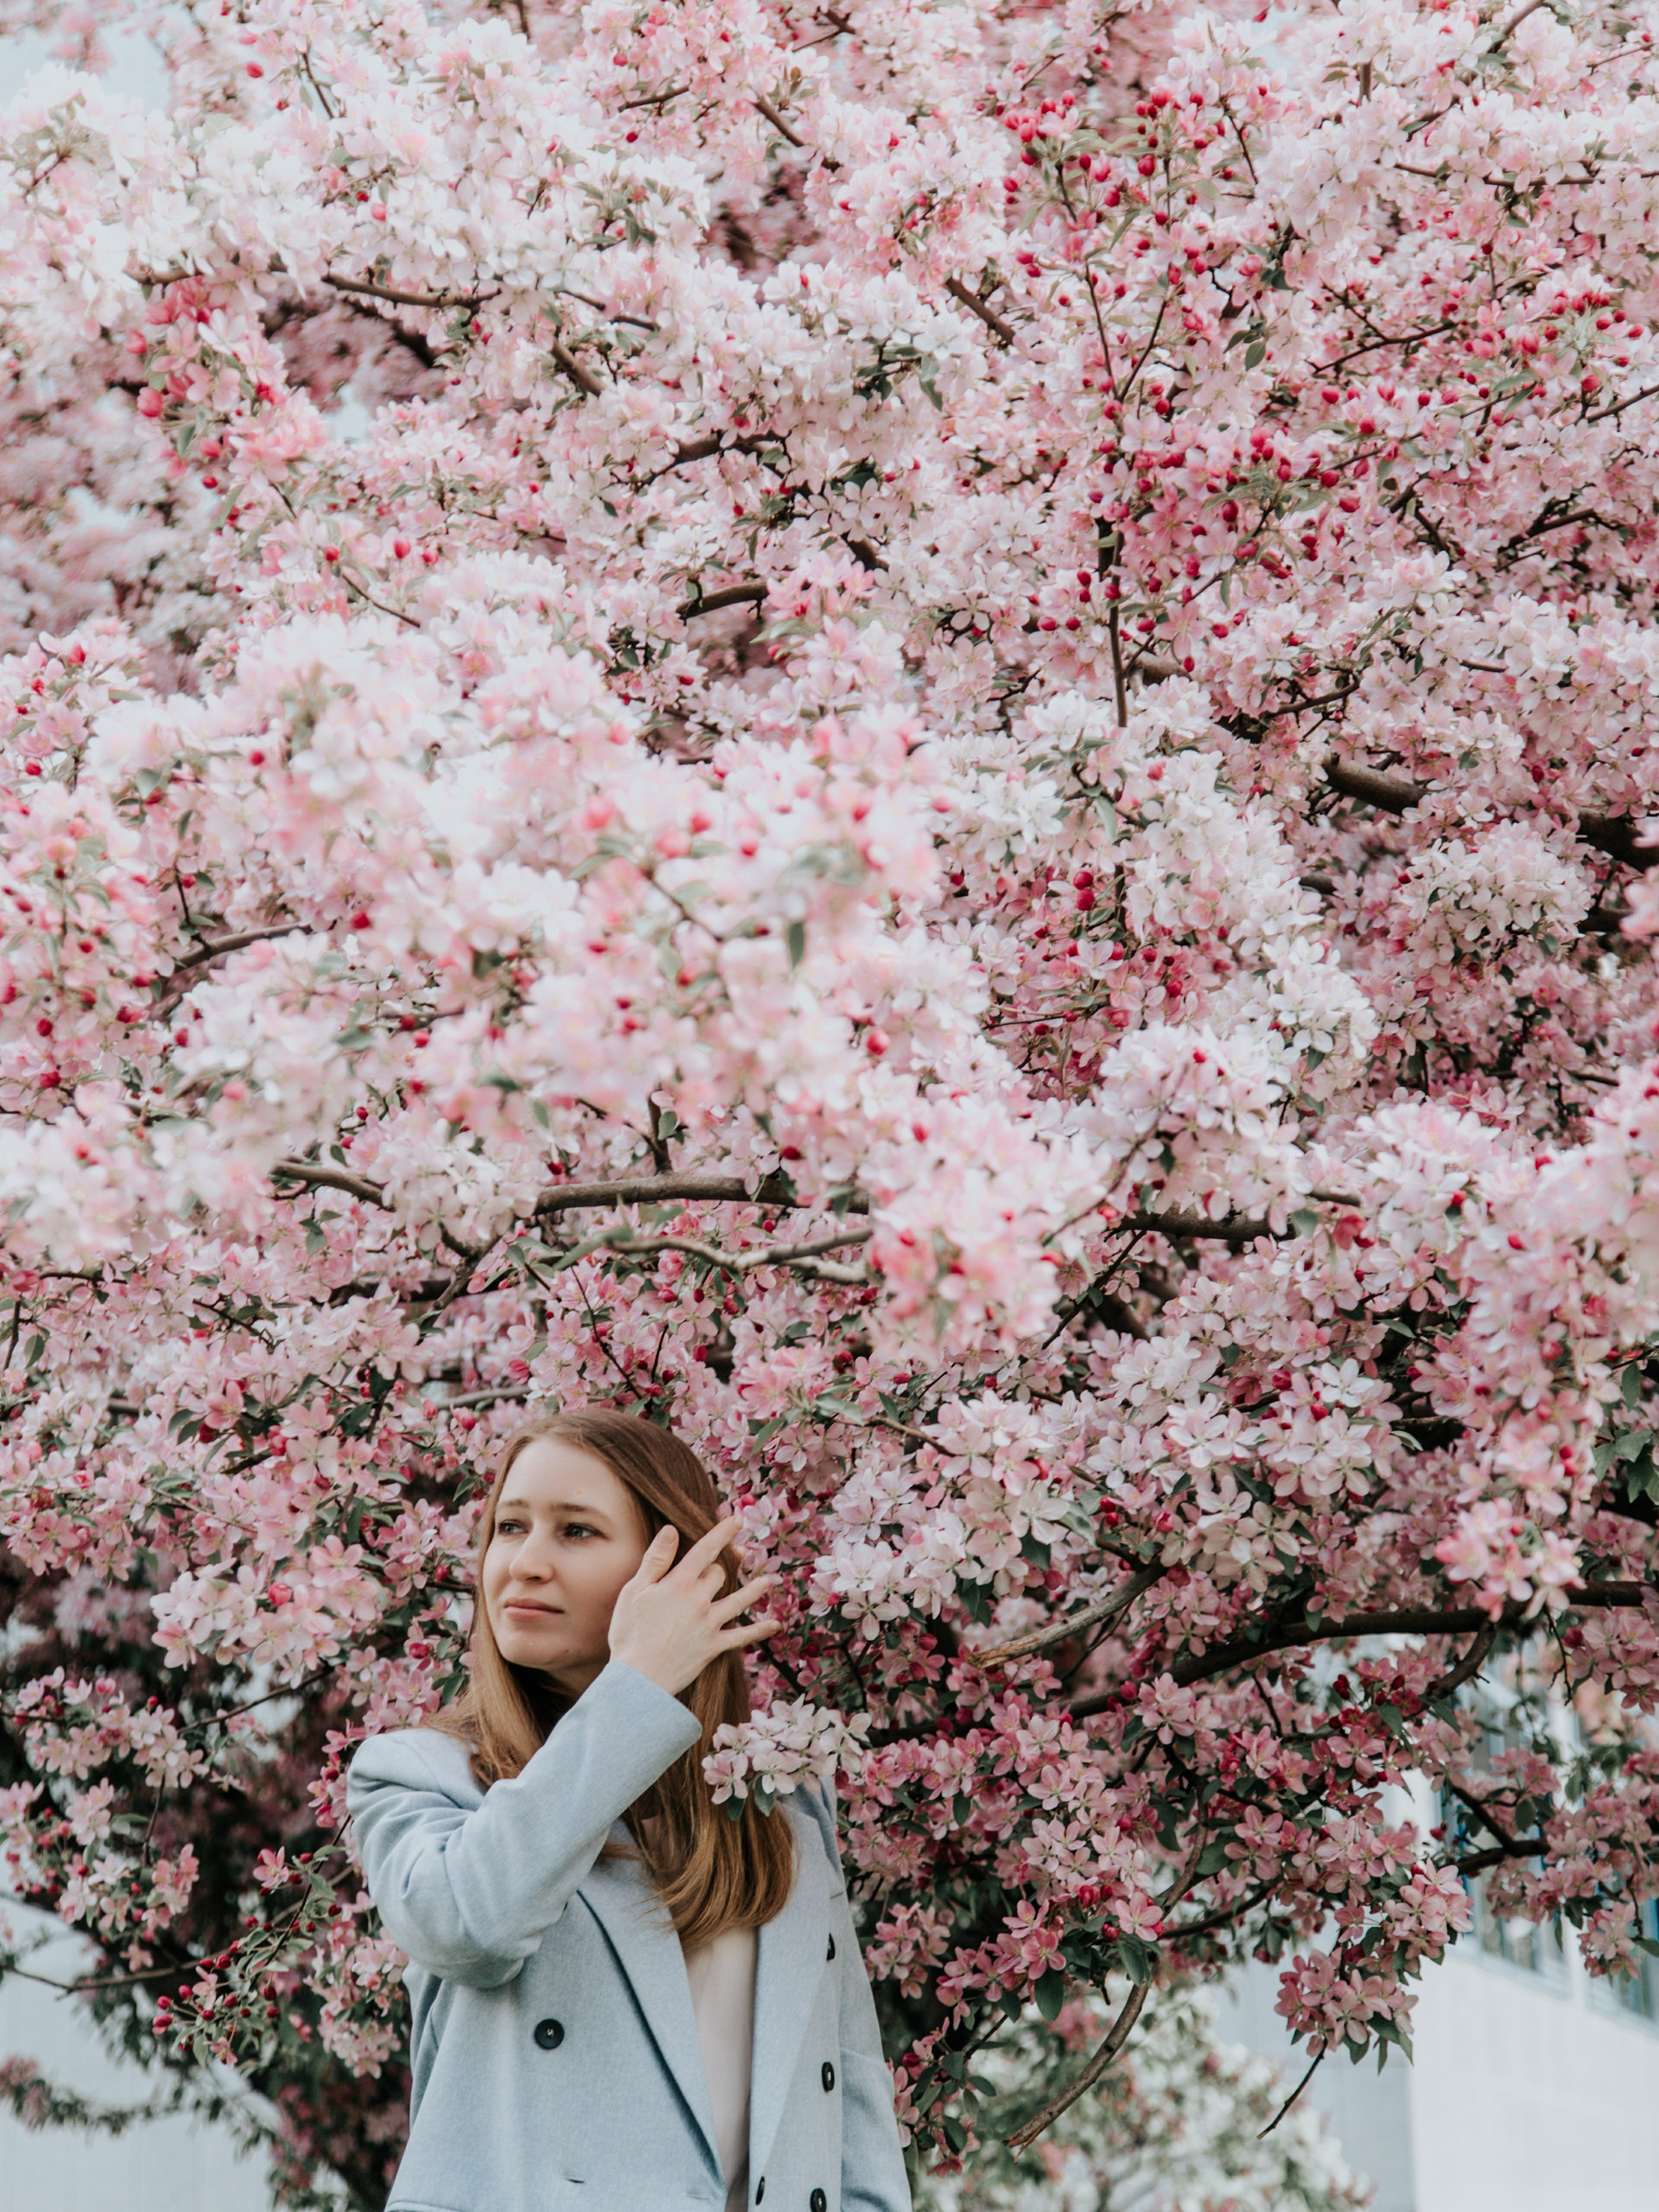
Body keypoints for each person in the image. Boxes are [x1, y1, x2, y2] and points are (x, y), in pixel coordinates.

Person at [346, 1406, 911, 2212]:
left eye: (576, 1530)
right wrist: (635, 1687)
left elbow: (846, 2084)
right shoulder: (419, 1773)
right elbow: (471, 1927)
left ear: (677, 1569)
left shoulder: (782, 1794)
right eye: (510, 1526)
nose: (526, 1563)